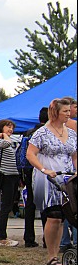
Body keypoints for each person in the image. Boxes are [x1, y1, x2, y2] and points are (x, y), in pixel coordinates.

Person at [26, 98, 77, 265]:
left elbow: (75, 155)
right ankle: (51, 255)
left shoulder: (71, 133)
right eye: (65, 112)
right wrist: (43, 169)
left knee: (63, 216)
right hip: (48, 177)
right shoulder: (42, 133)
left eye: (69, 111)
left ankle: (58, 253)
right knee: (53, 215)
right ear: (56, 112)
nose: (68, 114)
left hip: (67, 177)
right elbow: (30, 154)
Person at [20, 107, 48, 248]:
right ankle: (47, 238)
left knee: (30, 204)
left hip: (29, 171)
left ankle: (29, 238)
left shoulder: (28, 132)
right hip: (44, 170)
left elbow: (21, 155)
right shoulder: (48, 133)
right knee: (46, 204)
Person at [0, 119, 21, 247]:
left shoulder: (6, 140)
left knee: (9, 206)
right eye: (8, 127)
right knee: (5, 207)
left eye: (12, 128)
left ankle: (4, 236)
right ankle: (2, 237)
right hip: (6, 176)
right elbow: (7, 144)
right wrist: (6, 136)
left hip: (13, 176)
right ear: (1, 127)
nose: (10, 130)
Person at [59, 96, 77, 252]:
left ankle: (64, 241)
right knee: (73, 206)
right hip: (69, 172)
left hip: (65, 171)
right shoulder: (72, 126)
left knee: (65, 208)